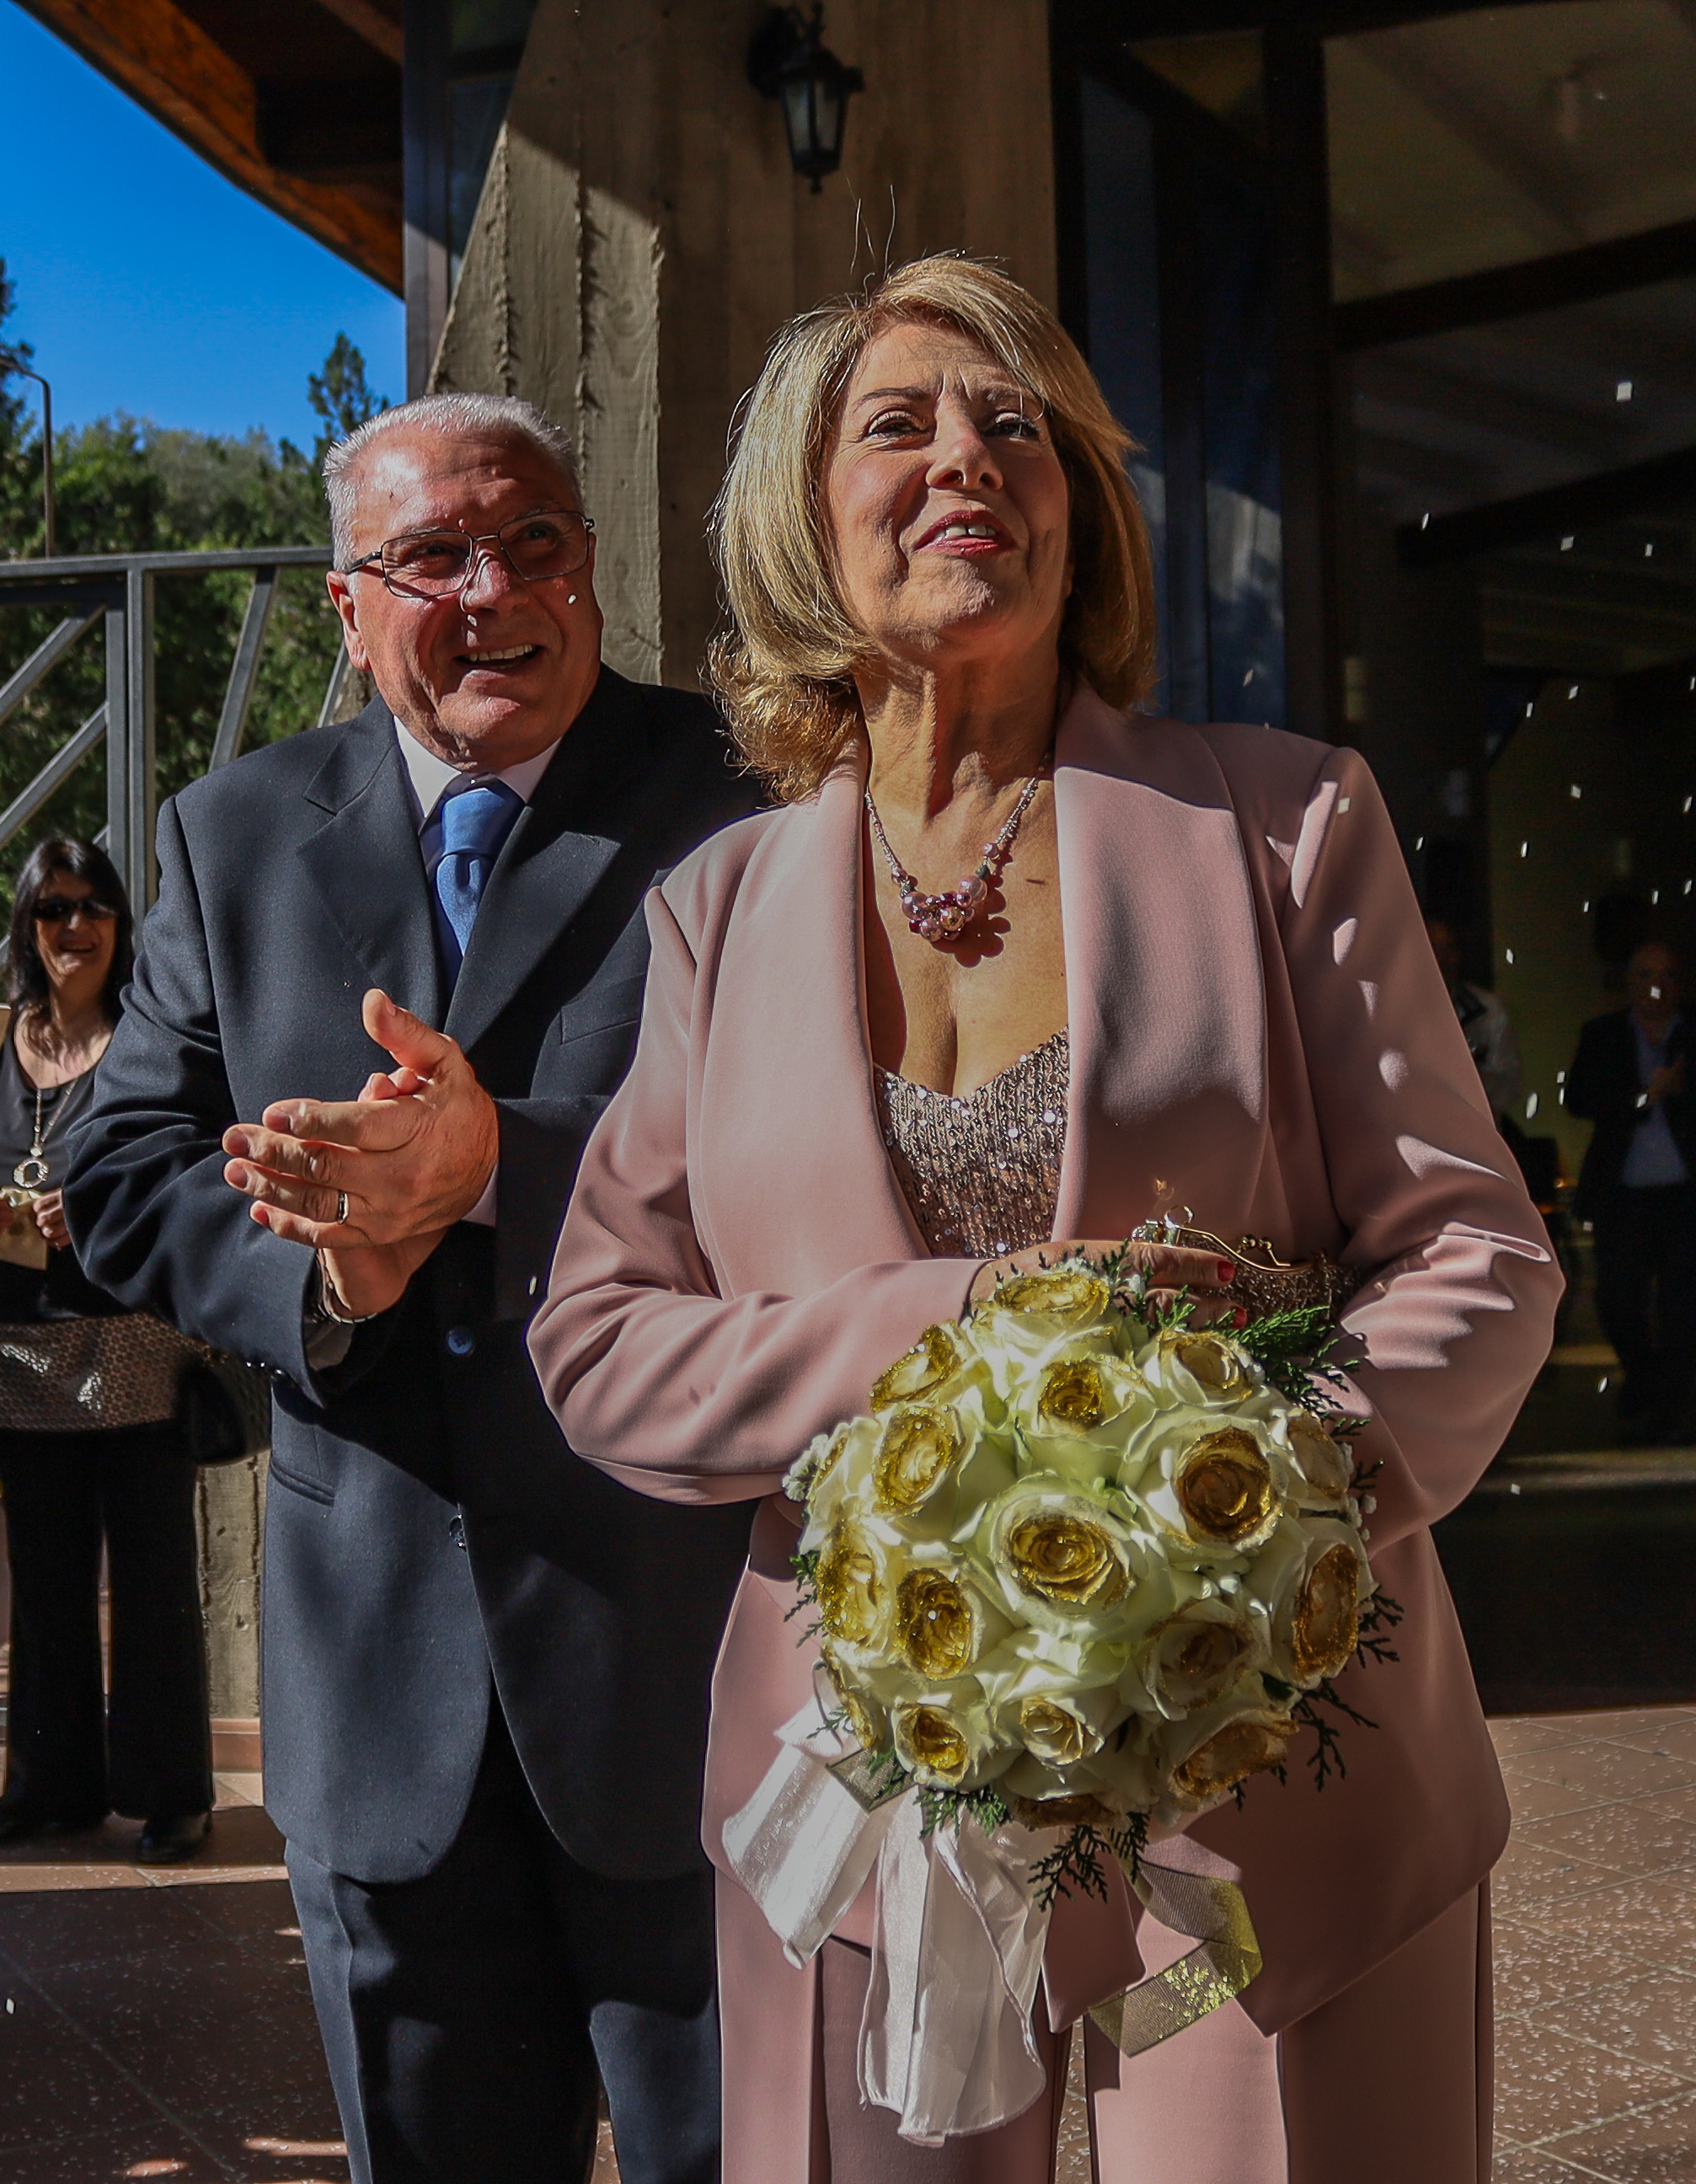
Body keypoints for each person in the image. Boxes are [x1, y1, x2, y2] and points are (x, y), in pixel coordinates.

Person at [527, 255, 1560, 2181]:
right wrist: (959, 1325)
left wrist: (1236, 1502)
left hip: (1265, 1798)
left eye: (1018, 426)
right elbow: (596, 1338)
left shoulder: (1284, 829)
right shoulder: (716, 911)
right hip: (874, 1810)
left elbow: (1475, 1253)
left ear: (1081, 510)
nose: (962, 460)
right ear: (797, 514)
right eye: (896, 423)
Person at [62, 390, 761, 2184]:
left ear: (593, 574)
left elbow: (821, 1153)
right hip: (380, 1688)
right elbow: (122, 1168)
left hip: (695, 1663)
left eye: (534, 543)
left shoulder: (750, 796)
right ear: (345, 606)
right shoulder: (229, 837)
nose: (491, 589)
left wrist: (496, 1174)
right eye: (430, 557)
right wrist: (334, 1277)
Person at [0, 838, 213, 1866]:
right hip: (15, 1345)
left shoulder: (152, 1037)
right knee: (44, 1585)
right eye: (54, 908)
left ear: (120, 926)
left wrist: (92, 1211)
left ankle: (170, 1793)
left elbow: (190, 1166)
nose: (76, 927)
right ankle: (48, 1791)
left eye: (95, 906)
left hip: (133, 1338)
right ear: (27, 925)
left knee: (150, 1578)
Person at [1564, 939, 1696, 1443]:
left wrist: (1680, 1093)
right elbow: (1580, 1098)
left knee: (1684, 1303)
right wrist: (1644, 1097)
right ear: (1630, 982)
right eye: (1644, 975)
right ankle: (1645, 1376)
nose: (1655, 986)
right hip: (1624, 1195)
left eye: (1665, 975)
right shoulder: (1603, 1035)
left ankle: (1670, 1402)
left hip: (1689, 1192)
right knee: (1617, 1300)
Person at [1428, 914, 1522, 1127]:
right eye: (1433, 949)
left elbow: (1509, 1086)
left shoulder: (1486, 1010)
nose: (1442, 959)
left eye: (1449, 949)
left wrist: (1467, 1076)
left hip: (1475, 1136)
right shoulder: (1392, 1011)